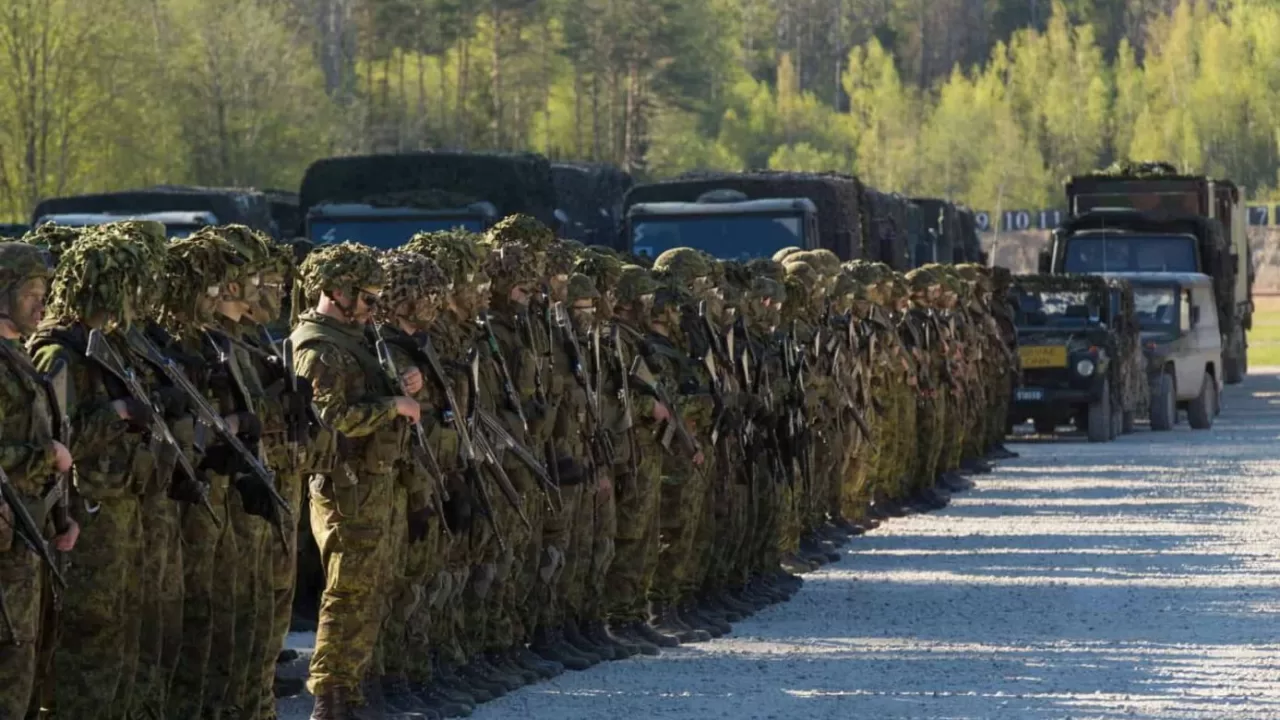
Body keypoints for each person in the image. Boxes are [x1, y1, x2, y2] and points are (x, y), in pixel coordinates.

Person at [289, 242, 424, 720]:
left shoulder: (354, 338)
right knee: (348, 593)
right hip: (345, 487)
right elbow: (330, 416)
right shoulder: (319, 346)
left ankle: (352, 692)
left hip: (371, 481)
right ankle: (330, 697)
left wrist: (404, 381)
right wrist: (391, 407)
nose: (372, 309)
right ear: (336, 291)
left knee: (371, 589)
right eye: (366, 298)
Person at [0, 241, 75, 719]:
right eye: (30, 292)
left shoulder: (20, 356)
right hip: (8, 539)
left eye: (43, 292)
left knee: (27, 662)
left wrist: (62, 517)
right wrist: (45, 456)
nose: (41, 303)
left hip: (31, 535)